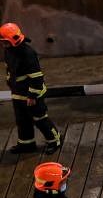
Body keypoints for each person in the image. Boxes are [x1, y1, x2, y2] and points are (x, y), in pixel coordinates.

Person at [1, 22, 61, 154]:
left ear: (13, 40)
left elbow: (36, 77)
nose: (3, 45)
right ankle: (27, 144)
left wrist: (32, 96)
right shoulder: (9, 51)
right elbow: (10, 70)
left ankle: (55, 140)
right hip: (18, 93)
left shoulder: (27, 53)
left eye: (5, 41)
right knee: (22, 121)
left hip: (32, 95)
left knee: (40, 119)